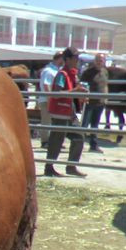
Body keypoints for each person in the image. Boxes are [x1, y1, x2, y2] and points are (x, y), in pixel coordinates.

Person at [45, 47, 88, 177]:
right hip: (60, 112)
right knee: (57, 140)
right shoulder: (62, 75)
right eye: (75, 58)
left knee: (79, 137)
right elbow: (56, 93)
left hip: (69, 113)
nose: (78, 60)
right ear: (67, 59)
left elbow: (72, 92)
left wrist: (81, 96)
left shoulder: (73, 74)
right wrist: (75, 91)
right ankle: (49, 167)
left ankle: (71, 166)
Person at [80, 53, 108, 153]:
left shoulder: (105, 71)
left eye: (101, 60)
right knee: (85, 124)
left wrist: (106, 98)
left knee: (95, 124)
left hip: (100, 102)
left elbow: (105, 85)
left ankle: (93, 145)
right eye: (97, 60)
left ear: (104, 61)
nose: (99, 62)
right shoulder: (87, 72)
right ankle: (79, 144)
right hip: (89, 102)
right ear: (94, 61)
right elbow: (82, 85)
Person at [37, 51, 64, 148]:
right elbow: (46, 85)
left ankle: (53, 141)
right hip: (47, 99)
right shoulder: (49, 71)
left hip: (53, 99)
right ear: (60, 58)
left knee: (53, 121)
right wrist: (50, 99)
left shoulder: (57, 70)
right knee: (46, 121)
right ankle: (45, 141)